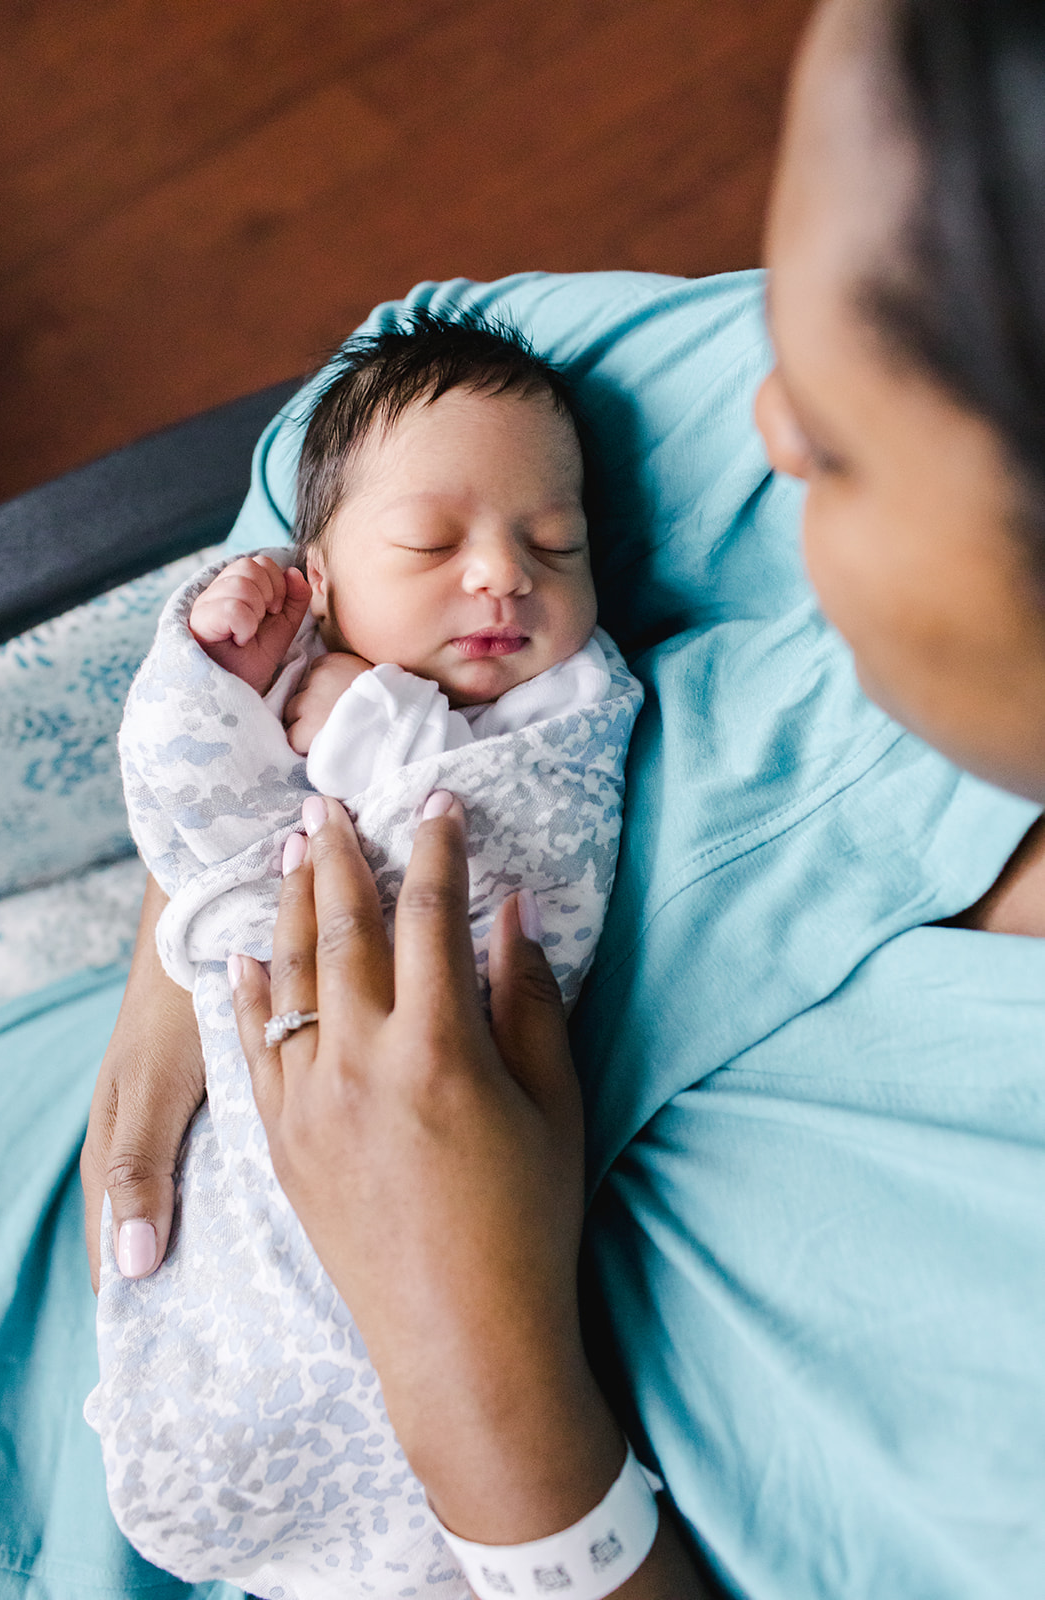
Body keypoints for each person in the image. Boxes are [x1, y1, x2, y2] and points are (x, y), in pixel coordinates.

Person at [82, 0, 1045, 1595]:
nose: (766, 418)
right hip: (115, 1234)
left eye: (851, 430)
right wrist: (207, 891)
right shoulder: (962, 241)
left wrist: (486, 1399)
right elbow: (398, 382)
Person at [85, 315, 642, 1599]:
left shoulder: (568, 710)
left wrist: (376, 725)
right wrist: (213, 676)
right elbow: (185, 822)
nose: (505, 576)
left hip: (451, 1159)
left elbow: (512, 875)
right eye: (433, 545)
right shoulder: (293, 677)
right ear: (318, 575)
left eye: (555, 545)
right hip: (245, 1118)